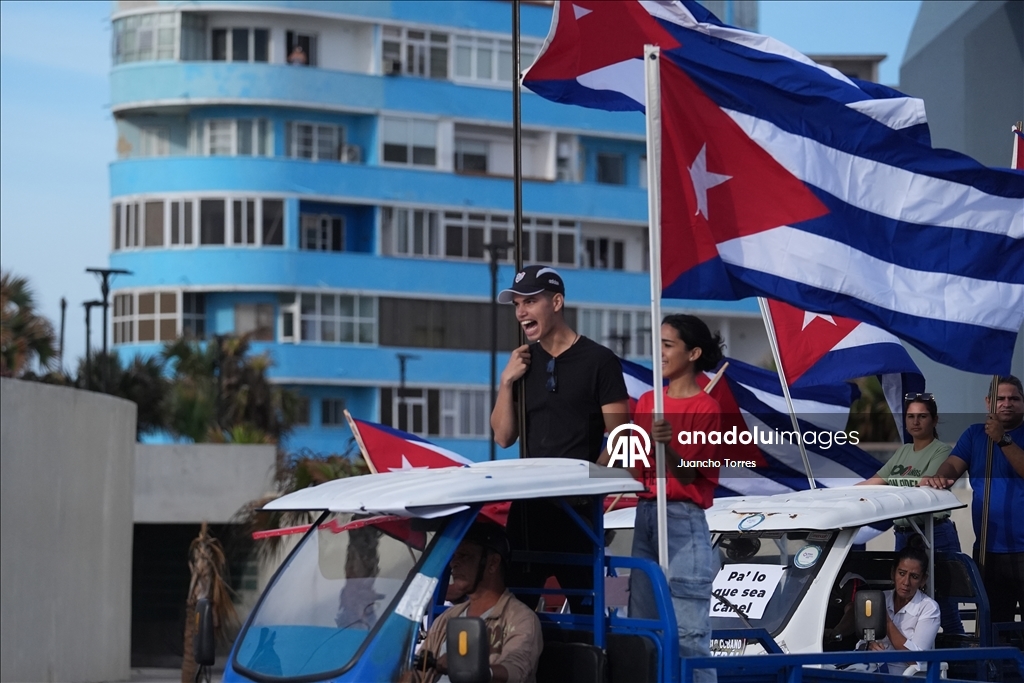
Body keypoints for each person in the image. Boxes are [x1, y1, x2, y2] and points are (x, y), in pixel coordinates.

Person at [490, 265, 630, 613]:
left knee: (589, 614)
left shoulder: (599, 361)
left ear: (556, 302)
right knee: (514, 611)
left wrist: (587, 486)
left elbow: (622, 437)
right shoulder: (522, 364)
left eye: (531, 301)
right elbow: (504, 436)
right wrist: (506, 381)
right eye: (517, 304)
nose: (521, 311)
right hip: (528, 510)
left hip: (577, 514)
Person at [626, 314, 724, 683]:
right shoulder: (648, 400)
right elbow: (635, 468)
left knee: (689, 636)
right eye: (659, 344)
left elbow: (688, 475)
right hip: (646, 514)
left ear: (694, 353)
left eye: (668, 345)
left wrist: (666, 447)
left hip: (683, 519)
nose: (660, 352)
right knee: (641, 630)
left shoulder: (707, 408)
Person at [920, 376, 1024, 627]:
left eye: (1014, 399)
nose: (1006, 404)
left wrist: (1003, 439)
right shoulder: (975, 434)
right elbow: (953, 466)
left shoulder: (1004, 437)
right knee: (992, 626)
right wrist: (939, 479)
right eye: (1000, 399)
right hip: (989, 550)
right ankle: (997, 667)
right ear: (988, 402)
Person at [857, 394, 962, 632]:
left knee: (944, 605)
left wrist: (892, 488)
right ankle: (912, 656)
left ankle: (960, 665)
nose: (916, 422)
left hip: (934, 533)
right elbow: (876, 480)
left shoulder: (941, 451)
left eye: (922, 416)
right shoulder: (903, 451)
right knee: (903, 602)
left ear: (934, 420)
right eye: (911, 416)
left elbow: (927, 484)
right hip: (904, 535)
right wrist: (836, 495)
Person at [412, 524, 542, 683]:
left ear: (493, 564)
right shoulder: (447, 618)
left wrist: (470, 668)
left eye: (464, 556)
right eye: (454, 556)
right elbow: (418, 669)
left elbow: (516, 670)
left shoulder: (521, 619)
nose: (454, 563)